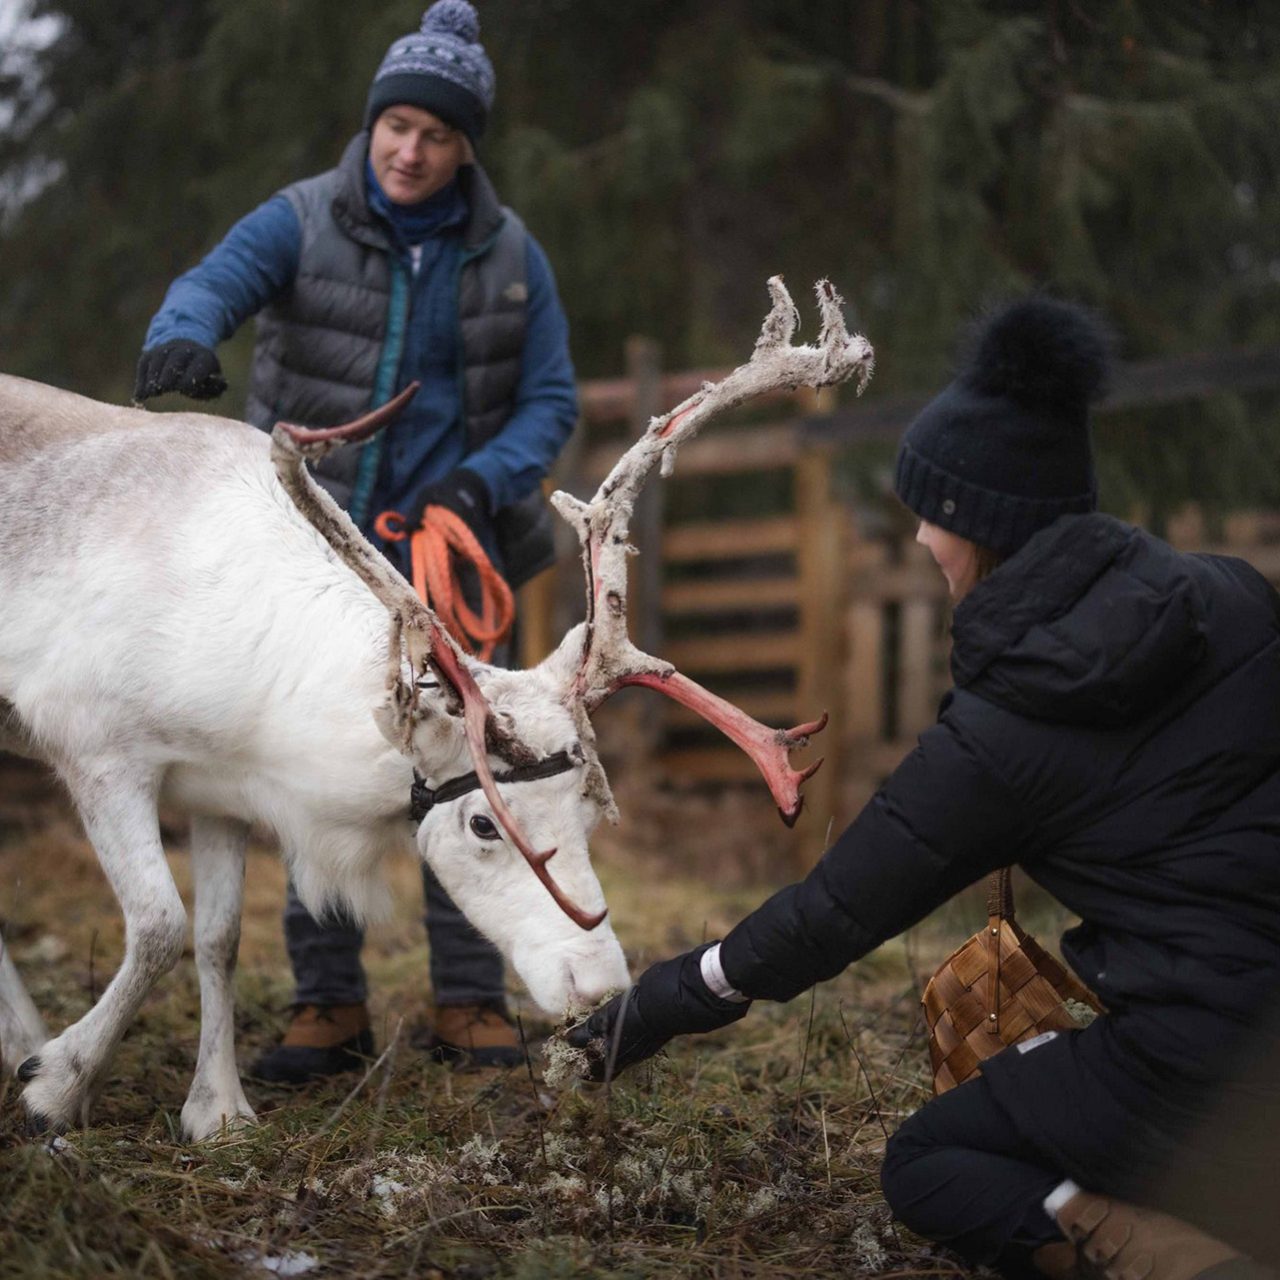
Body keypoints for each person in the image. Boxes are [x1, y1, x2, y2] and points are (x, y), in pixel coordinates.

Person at [569, 296, 1280, 1278]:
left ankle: (1171, 1258)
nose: (915, 540)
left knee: (931, 1158)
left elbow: (831, 913)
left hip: (1209, 1067)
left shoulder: (1002, 730)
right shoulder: (1233, 595)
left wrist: (669, 994)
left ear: (981, 526)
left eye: (927, 515)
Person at [136, 0, 579, 1079]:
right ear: (371, 124)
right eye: (396, 128)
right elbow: (210, 283)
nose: (410, 151)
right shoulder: (301, 217)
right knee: (306, 758)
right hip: (304, 547)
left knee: (462, 759)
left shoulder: (509, 254)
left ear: (464, 143)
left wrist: (482, 481)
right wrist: (182, 338)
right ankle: (325, 1005)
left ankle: (470, 1002)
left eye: (434, 134)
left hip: (443, 547)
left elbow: (549, 399)